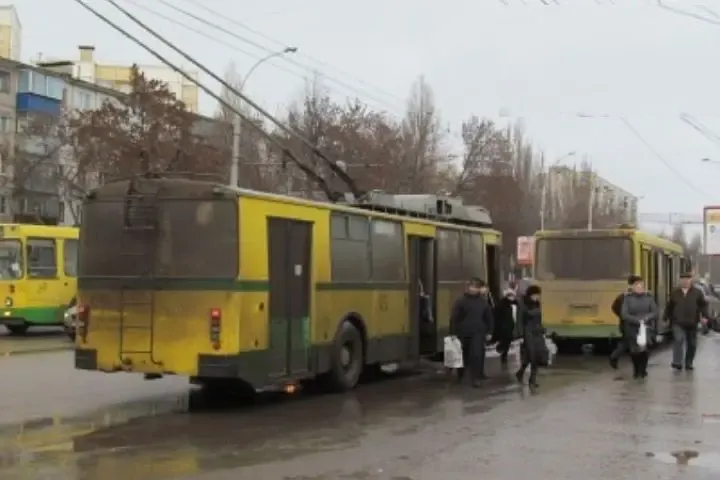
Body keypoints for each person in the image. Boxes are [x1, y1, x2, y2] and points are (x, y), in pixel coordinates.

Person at [449, 277, 495, 387]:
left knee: (476, 354)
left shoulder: (483, 302)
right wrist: (453, 333)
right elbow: (454, 318)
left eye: (476, 287)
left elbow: (489, 318)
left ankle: (476, 378)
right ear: (468, 288)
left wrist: (490, 332)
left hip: (478, 332)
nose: (473, 289)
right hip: (463, 332)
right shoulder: (460, 301)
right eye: (472, 287)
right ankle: (461, 375)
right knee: (463, 354)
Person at [665, 272, 709, 371]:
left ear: (690, 280)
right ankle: (677, 362)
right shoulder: (675, 292)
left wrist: (705, 316)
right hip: (678, 322)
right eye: (683, 279)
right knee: (678, 340)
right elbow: (669, 306)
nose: (685, 281)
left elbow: (703, 305)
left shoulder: (697, 292)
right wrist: (665, 317)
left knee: (692, 344)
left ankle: (689, 362)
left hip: (692, 322)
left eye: (687, 279)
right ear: (680, 281)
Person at [620, 276, 658, 379]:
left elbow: (654, 312)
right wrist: (636, 320)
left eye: (641, 285)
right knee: (634, 351)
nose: (639, 287)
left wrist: (647, 318)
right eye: (637, 285)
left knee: (644, 350)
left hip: (646, 328)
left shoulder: (649, 298)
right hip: (632, 328)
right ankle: (636, 369)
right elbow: (624, 314)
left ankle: (642, 370)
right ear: (632, 287)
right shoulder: (627, 299)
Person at [515, 285, 545, 388]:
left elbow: (539, 319)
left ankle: (521, 373)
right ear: (530, 295)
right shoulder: (523, 304)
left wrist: (542, 329)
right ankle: (532, 380)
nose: (537, 297)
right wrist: (520, 335)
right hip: (528, 333)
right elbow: (519, 320)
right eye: (535, 295)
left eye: (538, 295)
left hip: (537, 333)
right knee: (533, 356)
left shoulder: (537, 304)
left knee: (533, 356)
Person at [609, 275, 637, 369]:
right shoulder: (626, 296)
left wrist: (621, 316)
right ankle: (636, 364)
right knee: (631, 343)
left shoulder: (623, 296)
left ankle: (614, 357)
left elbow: (614, 307)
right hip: (629, 324)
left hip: (628, 323)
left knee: (627, 342)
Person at [493, 286, 518, 365]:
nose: (512, 297)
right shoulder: (501, 304)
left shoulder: (515, 303)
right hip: (504, 326)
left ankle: (504, 352)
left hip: (512, 325)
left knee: (508, 340)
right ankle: (503, 353)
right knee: (505, 340)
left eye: (513, 295)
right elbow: (497, 316)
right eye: (510, 295)